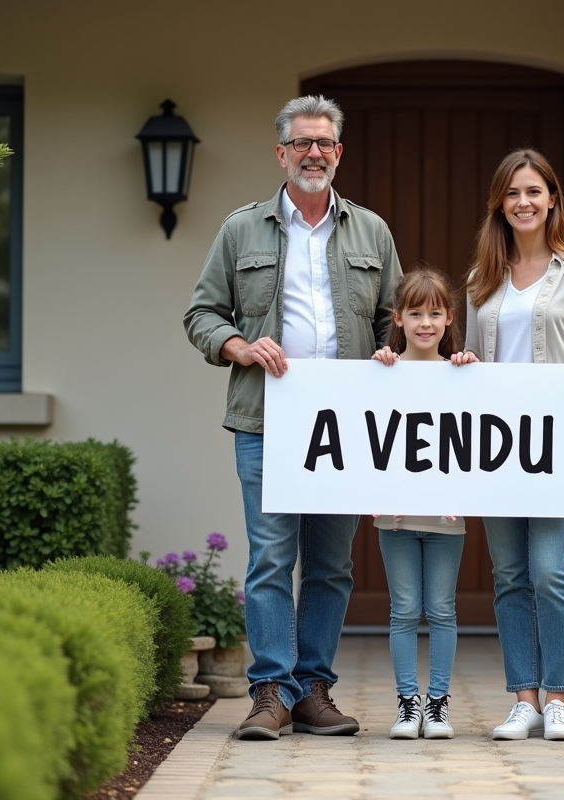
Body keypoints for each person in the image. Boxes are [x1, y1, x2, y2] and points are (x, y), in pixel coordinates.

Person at [183, 95, 403, 741]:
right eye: (302, 143)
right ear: (281, 153)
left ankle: (313, 690)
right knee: (271, 561)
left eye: (325, 143)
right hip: (266, 423)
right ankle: (270, 694)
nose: (314, 153)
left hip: (347, 426)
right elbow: (201, 314)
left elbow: (393, 317)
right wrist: (239, 346)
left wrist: (392, 351)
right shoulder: (240, 230)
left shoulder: (372, 231)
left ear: (340, 153)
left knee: (332, 566)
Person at [454, 149, 564, 742]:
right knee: (511, 575)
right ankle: (523, 698)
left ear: (552, 200)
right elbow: (470, 361)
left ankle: (559, 696)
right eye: (512, 193)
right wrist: (463, 362)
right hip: (497, 448)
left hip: (557, 446)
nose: (523, 202)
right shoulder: (480, 279)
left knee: (551, 571)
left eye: (534, 191)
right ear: (499, 203)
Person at [370, 267, 478, 740]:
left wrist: (469, 369)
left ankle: (437, 704)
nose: (426, 322)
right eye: (415, 313)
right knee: (403, 609)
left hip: (445, 515)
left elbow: (476, 443)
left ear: (450, 317)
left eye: (435, 312)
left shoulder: (462, 375)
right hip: (392, 517)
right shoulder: (382, 372)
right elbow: (365, 439)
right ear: (398, 317)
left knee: (442, 609)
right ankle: (407, 704)